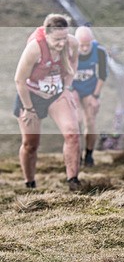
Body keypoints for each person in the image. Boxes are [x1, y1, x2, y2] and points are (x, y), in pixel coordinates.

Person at [13, 14, 81, 190]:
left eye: (64, 37)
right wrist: (28, 109)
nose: (62, 43)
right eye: (57, 39)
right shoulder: (34, 48)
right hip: (30, 95)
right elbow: (19, 80)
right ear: (46, 33)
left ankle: (73, 181)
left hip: (56, 94)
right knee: (30, 144)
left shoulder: (72, 43)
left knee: (73, 134)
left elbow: (73, 65)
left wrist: (66, 88)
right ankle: (30, 183)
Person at [71, 26, 108, 167]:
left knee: (90, 121)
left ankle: (89, 154)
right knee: (77, 120)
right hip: (73, 88)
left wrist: (95, 96)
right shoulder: (68, 50)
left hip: (90, 89)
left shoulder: (99, 51)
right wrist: (69, 92)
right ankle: (76, 154)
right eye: (82, 45)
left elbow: (103, 75)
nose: (85, 48)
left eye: (88, 45)